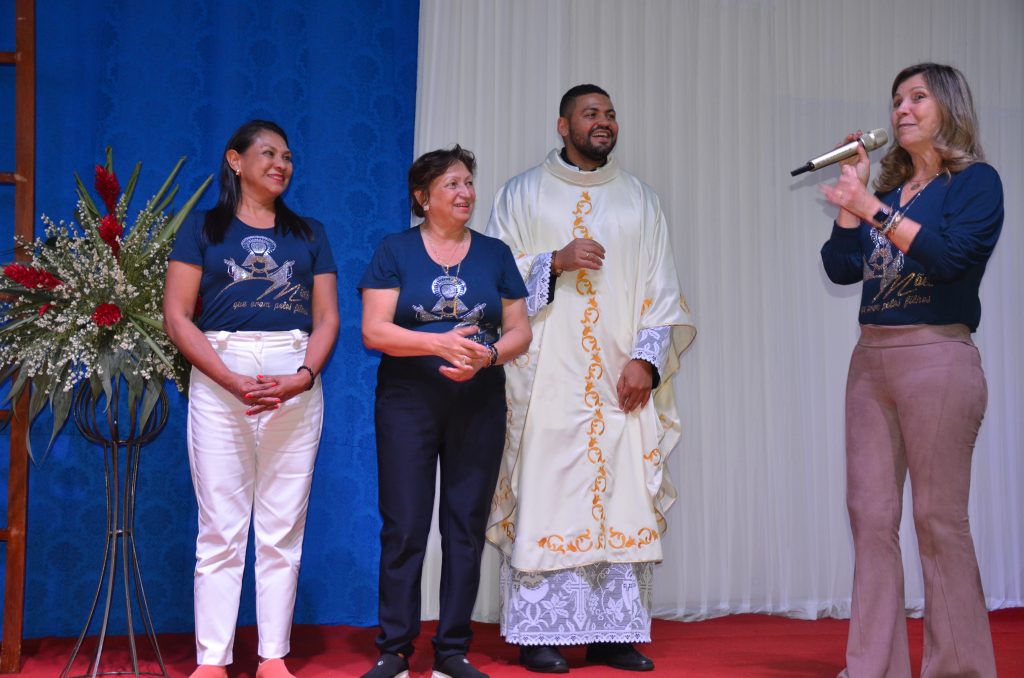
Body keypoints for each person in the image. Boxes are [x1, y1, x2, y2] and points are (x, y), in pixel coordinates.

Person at [485, 84, 696, 673]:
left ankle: (612, 634)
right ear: (563, 125)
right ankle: (540, 634)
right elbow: (492, 277)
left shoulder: (640, 200)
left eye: (610, 114)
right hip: (545, 377)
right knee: (547, 492)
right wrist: (553, 262)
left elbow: (663, 289)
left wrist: (647, 362)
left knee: (620, 492)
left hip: (619, 379)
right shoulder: (522, 193)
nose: (604, 122)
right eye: (590, 114)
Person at [819, 63, 1002, 678]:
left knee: (937, 519)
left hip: (938, 355)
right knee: (870, 517)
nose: (901, 109)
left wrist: (871, 207)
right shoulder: (892, 194)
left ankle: (959, 670)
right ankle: (873, 667)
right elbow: (842, 268)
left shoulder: (976, 183)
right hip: (871, 360)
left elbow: (950, 258)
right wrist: (854, 198)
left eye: (917, 97)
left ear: (948, 106)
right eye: (897, 99)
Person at [163, 120, 339, 678]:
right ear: (235, 161)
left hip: (293, 379)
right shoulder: (202, 229)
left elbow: (327, 318)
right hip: (221, 377)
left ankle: (273, 657)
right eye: (267, 154)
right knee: (220, 526)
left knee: (282, 528)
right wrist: (227, 378)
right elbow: (177, 316)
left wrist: (303, 376)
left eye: (287, 156)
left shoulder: (309, 233)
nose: (281, 164)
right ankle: (212, 660)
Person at [358, 145, 532, 678]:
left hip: (478, 404)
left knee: (464, 528)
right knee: (405, 527)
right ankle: (395, 649)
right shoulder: (394, 250)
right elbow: (374, 331)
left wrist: (487, 356)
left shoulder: (495, 254)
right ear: (423, 196)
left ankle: (452, 650)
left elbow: (519, 331)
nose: (465, 193)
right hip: (408, 403)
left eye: (468, 183)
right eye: (452, 184)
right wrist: (439, 344)